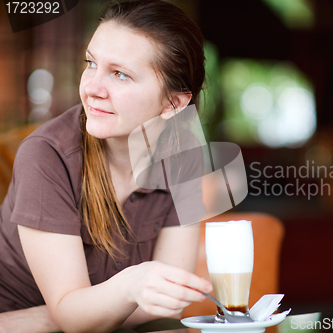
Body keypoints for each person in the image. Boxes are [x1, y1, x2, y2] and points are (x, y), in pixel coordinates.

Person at [0, 0, 213, 331]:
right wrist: (127, 289)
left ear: (174, 103)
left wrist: (59, 316)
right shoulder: (46, 155)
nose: (91, 89)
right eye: (91, 63)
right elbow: (72, 317)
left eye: (120, 74)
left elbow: (169, 301)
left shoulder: (184, 158)